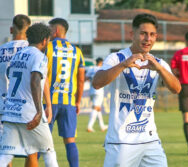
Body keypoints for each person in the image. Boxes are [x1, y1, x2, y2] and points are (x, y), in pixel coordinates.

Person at [92, 13, 181, 167]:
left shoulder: (158, 63)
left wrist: (159, 69)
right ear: (132, 34)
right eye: (143, 33)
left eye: (152, 35)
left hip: (150, 140)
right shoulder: (116, 58)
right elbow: (97, 83)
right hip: (121, 141)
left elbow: (176, 89)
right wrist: (124, 65)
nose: (148, 39)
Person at [0, 23, 58, 167]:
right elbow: (35, 80)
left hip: (11, 111)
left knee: (6, 156)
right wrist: (39, 111)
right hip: (29, 113)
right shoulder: (40, 56)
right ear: (44, 40)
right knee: (48, 152)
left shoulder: (17, 56)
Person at [45, 18, 85, 167]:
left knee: (38, 140)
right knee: (70, 140)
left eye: (49, 30)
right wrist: (78, 101)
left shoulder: (47, 48)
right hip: (68, 103)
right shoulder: (77, 51)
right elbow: (81, 79)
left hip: (47, 102)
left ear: (55, 31)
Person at [0, 14, 30, 167]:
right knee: (31, 151)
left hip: (3, 106)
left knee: (5, 152)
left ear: (12, 29)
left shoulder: (0, 50)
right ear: (29, 30)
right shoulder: (32, 51)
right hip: (25, 107)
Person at [86, 57, 108, 132]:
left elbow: (86, 78)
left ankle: (102, 126)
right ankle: (89, 126)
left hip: (91, 90)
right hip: (99, 90)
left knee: (98, 109)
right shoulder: (102, 69)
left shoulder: (91, 69)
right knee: (96, 108)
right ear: (101, 62)